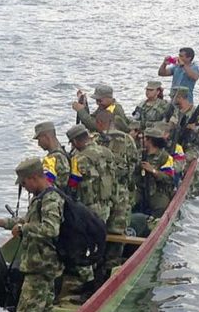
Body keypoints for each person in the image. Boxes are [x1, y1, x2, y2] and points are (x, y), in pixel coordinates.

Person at [0, 158, 62, 312]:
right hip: (42, 263)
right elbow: (28, 221)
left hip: (41, 265)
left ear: (34, 178)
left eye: (25, 183)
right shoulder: (41, 197)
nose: (25, 188)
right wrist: (1, 222)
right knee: (44, 310)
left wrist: (23, 228)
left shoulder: (51, 199)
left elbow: (51, 229)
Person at [92, 110, 139, 273]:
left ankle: (95, 265)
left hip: (100, 196)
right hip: (121, 194)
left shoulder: (95, 141)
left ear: (99, 123)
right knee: (118, 232)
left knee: (97, 229)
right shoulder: (128, 140)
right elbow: (134, 164)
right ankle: (112, 268)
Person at [66, 124, 115, 223]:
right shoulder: (107, 152)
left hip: (88, 209)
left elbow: (72, 186)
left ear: (75, 141)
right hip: (106, 205)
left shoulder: (79, 159)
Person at [135, 125, 175, 218]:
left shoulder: (165, 157)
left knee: (161, 207)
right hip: (140, 189)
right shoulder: (138, 153)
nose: (141, 140)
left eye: (144, 138)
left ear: (150, 140)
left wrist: (153, 171)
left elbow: (169, 178)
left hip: (157, 191)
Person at [167, 86, 199, 164]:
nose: (171, 99)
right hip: (176, 141)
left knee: (185, 159)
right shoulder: (175, 111)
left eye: (173, 97)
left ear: (180, 98)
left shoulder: (197, 112)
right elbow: (169, 125)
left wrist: (195, 128)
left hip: (191, 146)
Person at [32, 121, 70, 190]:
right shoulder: (63, 152)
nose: (38, 144)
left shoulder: (53, 158)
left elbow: (47, 186)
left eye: (39, 139)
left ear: (46, 136)